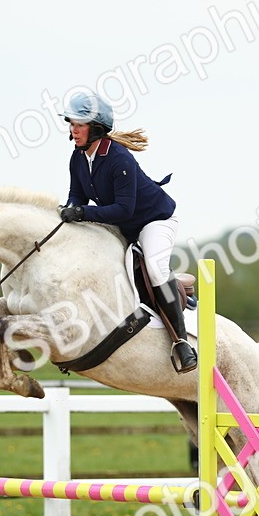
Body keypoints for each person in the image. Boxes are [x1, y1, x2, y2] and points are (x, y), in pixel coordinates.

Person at [56, 91, 197, 374]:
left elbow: (123, 210)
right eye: (71, 123)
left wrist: (83, 214)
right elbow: (77, 195)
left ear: (95, 128)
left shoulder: (119, 158)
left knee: (156, 269)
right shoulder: (78, 157)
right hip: (123, 224)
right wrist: (70, 212)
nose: (74, 129)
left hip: (154, 220)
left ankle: (181, 343)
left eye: (79, 124)